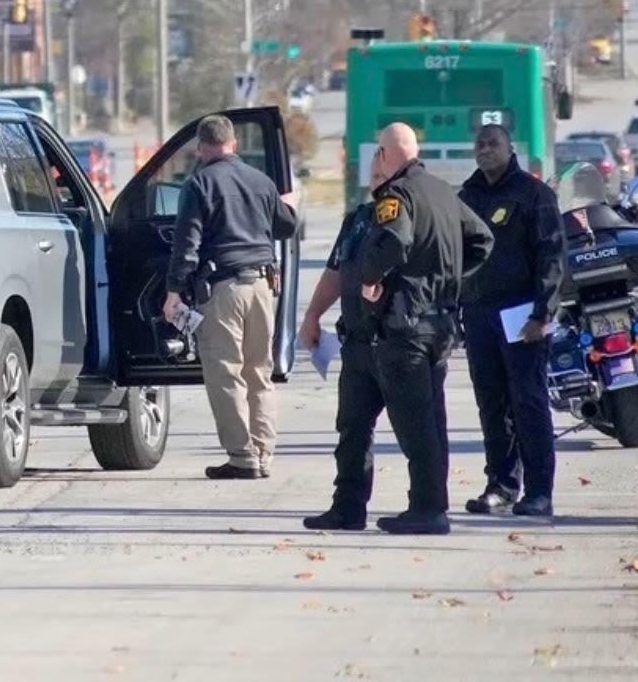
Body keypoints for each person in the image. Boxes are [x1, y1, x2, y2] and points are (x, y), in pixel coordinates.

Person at [349, 123, 494, 535]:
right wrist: (449, 278)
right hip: (442, 321)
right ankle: (434, 504)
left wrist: (371, 278)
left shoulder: (396, 196)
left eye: (379, 152)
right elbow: (482, 239)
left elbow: (394, 240)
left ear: (386, 155)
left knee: (415, 425)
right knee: (433, 419)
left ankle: (427, 509)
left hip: (407, 324)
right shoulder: (443, 190)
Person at [162, 115, 300, 480]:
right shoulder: (261, 181)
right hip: (263, 286)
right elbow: (286, 227)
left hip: (223, 288)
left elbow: (186, 245)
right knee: (259, 373)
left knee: (226, 373)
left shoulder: (199, 184)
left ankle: (242, 457)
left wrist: (174, 291)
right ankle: (263, 453)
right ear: (234, 143)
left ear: (201, 147)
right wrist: (288, 204)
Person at [457, 123, 564, 519]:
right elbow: (456, 258)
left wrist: (543, 313)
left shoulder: (533, 194)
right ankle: (501, 486)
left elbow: (552, 256)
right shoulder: (466, 197)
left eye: (493, 143)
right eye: (480, 144)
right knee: (491, 404)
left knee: (528, 402)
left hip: (522, 314)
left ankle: (539, 492)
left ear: (510, 148)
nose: (485, 149)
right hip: (479, 312)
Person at [299, 200, 384, 530]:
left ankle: (426, 507)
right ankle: (348, 508)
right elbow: (336, 269)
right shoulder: (358, 219)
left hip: (403, 340)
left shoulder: (417, 209)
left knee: (418, 433)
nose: (378, 178)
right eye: (375, 173)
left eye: (384, 172)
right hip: (357, 339)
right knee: (352, 429)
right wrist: (313, 315)